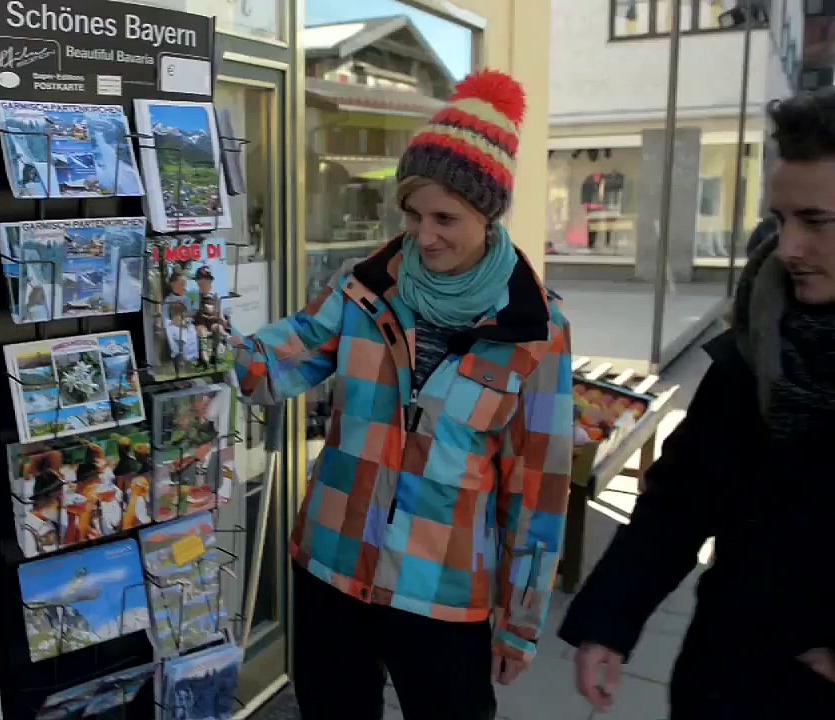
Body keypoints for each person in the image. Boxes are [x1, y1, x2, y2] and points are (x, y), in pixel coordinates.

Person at [229, 69, 574, 719]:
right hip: (331, 568)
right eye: (412, 213)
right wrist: (205, 351)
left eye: (446, 217)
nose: (424, 235)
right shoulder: (364, 288)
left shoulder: (539, 330)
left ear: (489, 213)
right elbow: (286, 356)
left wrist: (520, 620)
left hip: (442, 594)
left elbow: (539, 488)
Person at [558, 88, 835, 718]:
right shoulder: (757, 344)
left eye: (814, 221)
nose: (788, 247)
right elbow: (682, 500)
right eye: (781, 219)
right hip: (721, 677)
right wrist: (610, 621)